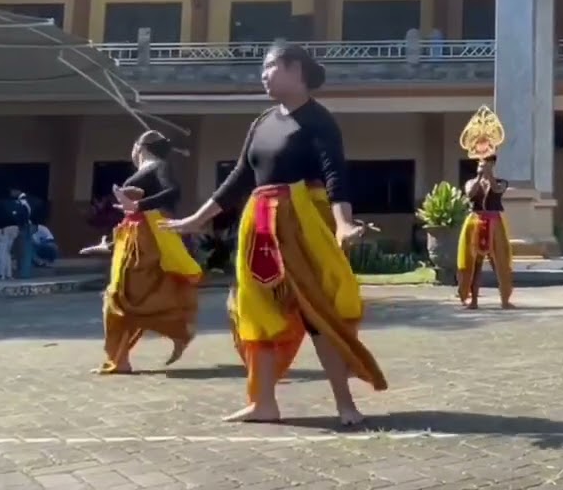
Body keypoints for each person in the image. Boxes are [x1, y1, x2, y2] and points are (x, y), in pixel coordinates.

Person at [162, 42, 387, 424]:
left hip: (302, 223)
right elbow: (238, 179)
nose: (263, 75)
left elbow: (335, 176)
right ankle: (263, 402)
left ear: (295, 69)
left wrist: (344, 223)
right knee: (258, 311)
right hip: (259, 225)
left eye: (269, 67)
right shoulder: (262, 122)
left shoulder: (319, 120)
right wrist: (194, 220)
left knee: (316, 310)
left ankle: (345, 404)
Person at [84, 130, 202, 375]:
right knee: (123, 298)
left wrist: (138, 205)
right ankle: (123, 358)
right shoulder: (149, 169)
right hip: (135, 238)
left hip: (149, 241)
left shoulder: (159, 166)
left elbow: (173, 191)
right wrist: (110, 245)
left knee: (125, 298)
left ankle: (177, 329)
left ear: (140, 147)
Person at [457, 154, 515, 310]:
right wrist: (479, 177)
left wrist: (489, 176)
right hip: (475, 221)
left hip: (495, 222)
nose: (482, 165)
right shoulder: (470, 182)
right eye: (481, 163)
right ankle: (472, 299)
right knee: (475, 263)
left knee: (500, 263)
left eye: (487, 163)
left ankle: (505, 299)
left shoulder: (501, 182)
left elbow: (497, 190)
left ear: (493, 164)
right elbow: (470, 194)